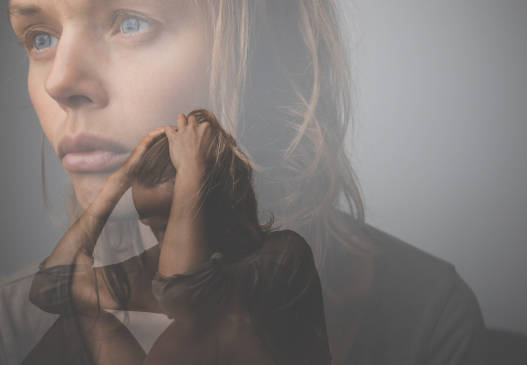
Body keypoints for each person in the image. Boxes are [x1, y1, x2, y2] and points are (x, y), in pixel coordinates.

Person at [2, 0, 485, 364]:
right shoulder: (15, 325)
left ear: (263, 55)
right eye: (40, 38)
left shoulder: (423, 312)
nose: (58, 82)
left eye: (131, 22)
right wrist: (128, 174)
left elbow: (183, 290)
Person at [22, 109, 331, 365]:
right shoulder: (149, 268)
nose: (160, 239)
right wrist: (118, 182)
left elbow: (184, 299)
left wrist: (192, 171)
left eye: (170, 223)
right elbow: (49, 289)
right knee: (89, 317)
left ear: (209, 205)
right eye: (152, 226)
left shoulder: (281, 257)